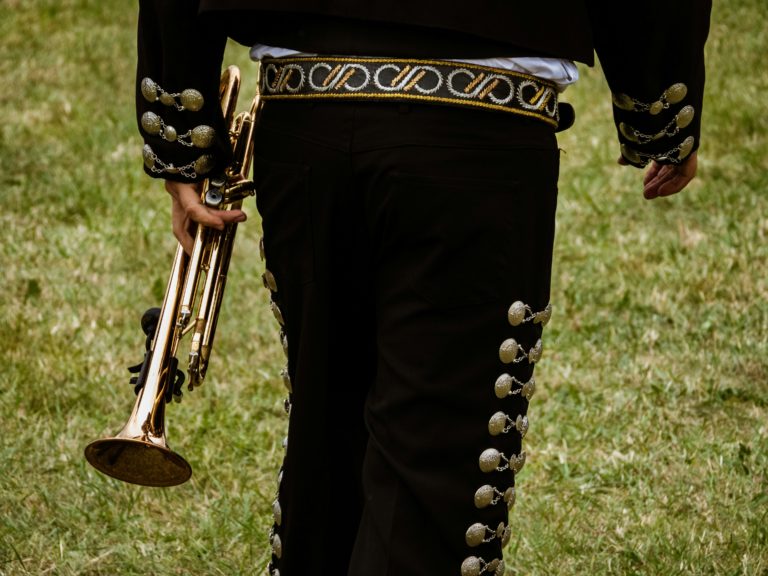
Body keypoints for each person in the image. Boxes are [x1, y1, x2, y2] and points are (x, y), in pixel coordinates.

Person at [135, 2, 711, 574]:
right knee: (431, 472)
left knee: (327, 449)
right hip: (480, 121)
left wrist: (182, 138)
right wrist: (659, 104)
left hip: (308, 108)